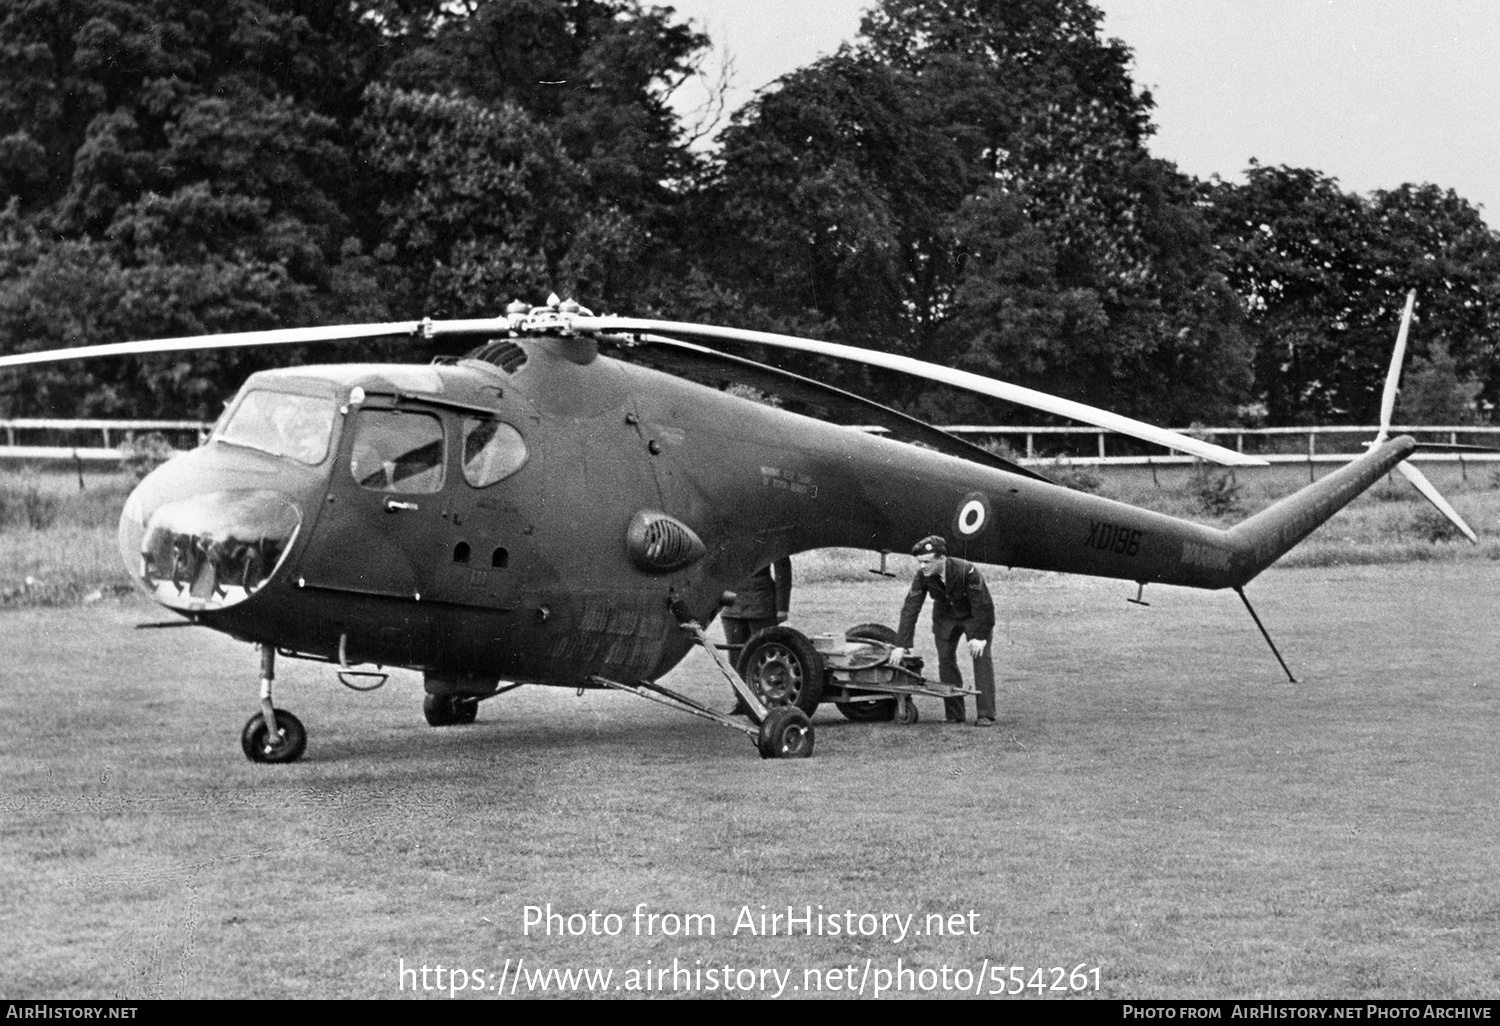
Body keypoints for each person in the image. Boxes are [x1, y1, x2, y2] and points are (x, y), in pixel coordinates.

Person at [891, 535, 996, 726]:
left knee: (981, 658)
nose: (923, 566)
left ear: (941, 559)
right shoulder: (922, 576)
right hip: (945, 618)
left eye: (927, 562)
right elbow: (910, 608)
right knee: (945, 660)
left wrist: (979, 637)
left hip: (973, 616)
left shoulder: (967, 570)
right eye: (920, 562)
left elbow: (984, 605)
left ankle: (985, 714)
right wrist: (901, 645)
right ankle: (954, 714)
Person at [721, 557, 792, 714]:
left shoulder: (769, 534)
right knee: (736, 657)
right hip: (732, 604)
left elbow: (783, 569)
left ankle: (772, 699)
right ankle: (742, 701)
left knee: (765, 655)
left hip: (761, 603)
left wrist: (782, 606)